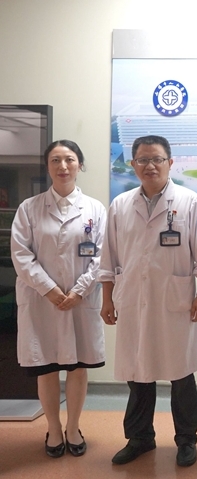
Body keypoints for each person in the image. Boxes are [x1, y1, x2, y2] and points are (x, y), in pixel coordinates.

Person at [99, 135, 197, 467]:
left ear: (170, 163)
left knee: (181, 374)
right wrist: (107, 299)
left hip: (176, 301)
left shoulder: (190, 202)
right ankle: (140, 438)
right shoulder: (121, 205)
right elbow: (108, 257)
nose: (150, 166)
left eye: (157, 159)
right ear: (132, 164)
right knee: (138, 372)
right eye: (143, 160)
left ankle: (186, 440)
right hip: (133, 300)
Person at [11, 140, 106, 458]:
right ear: (47, 166)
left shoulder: (95, 209)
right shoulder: (29, 208)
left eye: (69, 159)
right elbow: (21, 255)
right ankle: (53, 428)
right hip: (42, 301)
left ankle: (73, 427)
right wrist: (50, 289)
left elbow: (102, 256)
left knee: (78, 367)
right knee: (47, 367)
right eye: (55, 160)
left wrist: (79, 290)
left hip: (81, 300)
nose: (63, 166)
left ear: (80, 164)